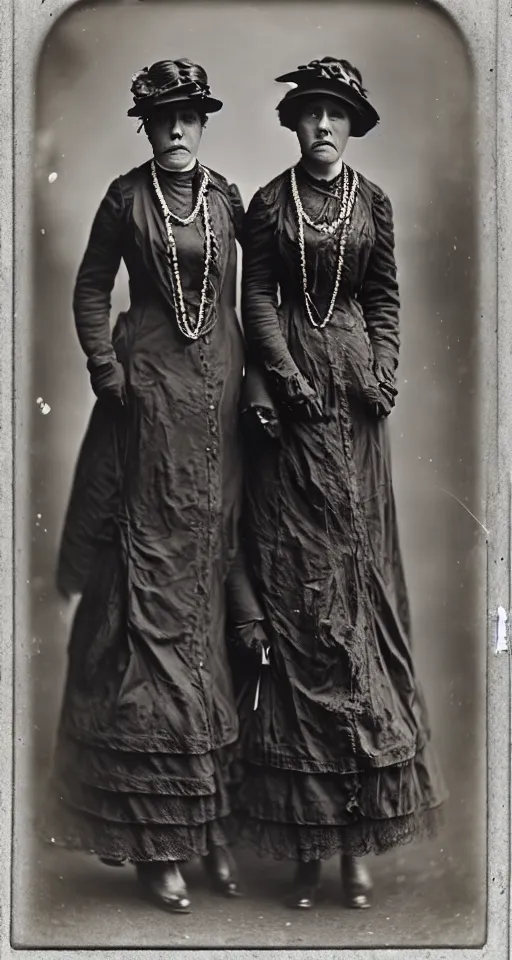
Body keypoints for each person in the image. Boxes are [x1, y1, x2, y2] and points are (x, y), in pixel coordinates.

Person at [233, 57, 447, 911]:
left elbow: (385, 295)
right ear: (292, 124)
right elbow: (255, 300)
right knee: (299, 603)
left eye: (336, 115)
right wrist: (282, 376)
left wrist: (385, 365)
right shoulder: (267, 204)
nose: (322, 126)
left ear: (352, 126)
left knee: (356, 601)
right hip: (290, 416)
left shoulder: (376, 205)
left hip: (356, 414)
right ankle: (308, 847)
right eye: (310, 114)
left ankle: (360, 844)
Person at [40, 58, 247, 914]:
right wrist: (102, 364)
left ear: (203, 121)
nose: (176, 129)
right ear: (145, 124)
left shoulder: (229, 198)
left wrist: (258, 388)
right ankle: (154, 840)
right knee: (147, 596)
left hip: (220, 408)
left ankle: (204, 824)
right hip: (146, 401)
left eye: (189, 115)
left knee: (208, 597)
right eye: (161, 116)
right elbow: (92, 289)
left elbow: (252, 295)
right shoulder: (125, 200)